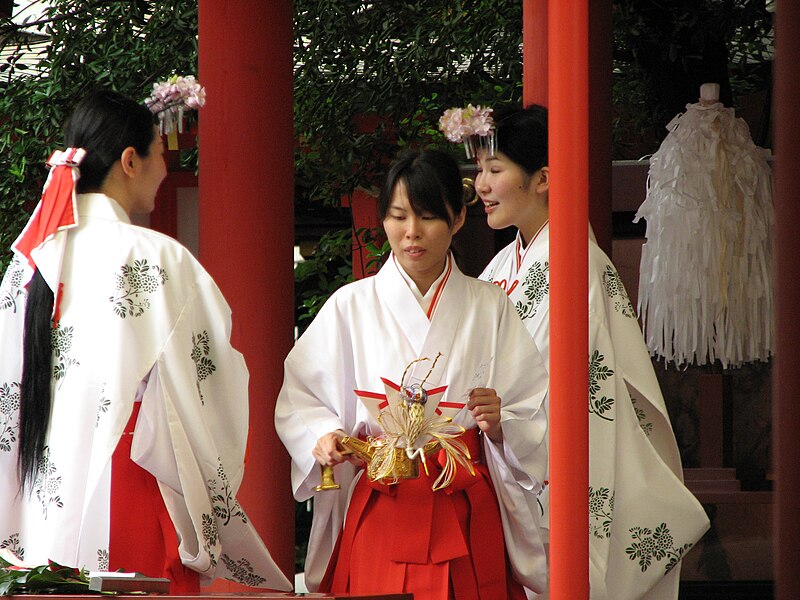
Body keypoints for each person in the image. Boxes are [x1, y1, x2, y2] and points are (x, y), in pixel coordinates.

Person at [0, 89, 291, 593]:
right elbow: (208, 382)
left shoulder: (25, 265)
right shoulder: (155, 258)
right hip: (131, 485)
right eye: (161, 155)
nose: (164, 169)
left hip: (36, 492)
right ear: (130, 161)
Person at [275, 149, 550, 600]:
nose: (411, 233)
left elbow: (530, 406)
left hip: (461, 499)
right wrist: (325, 433)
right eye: (398, 216)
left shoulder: (491, 305)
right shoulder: (350, 305)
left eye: (427, 217)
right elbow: (302, 396)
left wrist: (502, 424)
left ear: (459, 219)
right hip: (381, 501)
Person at [471, 105, 710, 599]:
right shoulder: (500, 267)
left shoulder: (577, 264)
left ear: (542, 179)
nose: (480, 184)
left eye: (495, 170)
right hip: (510, 460)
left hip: (556, 467)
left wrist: (505, 423)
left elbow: (558, 387)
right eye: (479, 171)